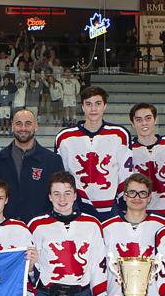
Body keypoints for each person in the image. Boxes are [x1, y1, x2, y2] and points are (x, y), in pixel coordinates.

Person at [26, 171, 107, 296]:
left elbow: (99, 265)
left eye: (67, 193)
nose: (62, 199)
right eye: (57, 193)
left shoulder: (91, 224)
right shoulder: (37, 225)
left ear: (75, 195)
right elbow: (28, 269)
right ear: (50, 196)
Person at [54, 86, 134, 221]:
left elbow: (126, 175)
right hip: (77, 206)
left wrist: (124, 205)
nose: (93, 109)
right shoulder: (65, 137)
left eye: (98, 104)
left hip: (111, 207)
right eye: (88, 104)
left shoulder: (119, 134)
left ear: (105, 106)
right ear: (83, 107)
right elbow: (62, 176)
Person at [0, 109, 65, 224]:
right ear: (12, 126)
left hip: (40, 230)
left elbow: (59, 198)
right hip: (4, 230)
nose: (23, 128)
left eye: (28, 124)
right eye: (18, 124)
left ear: (36, 126)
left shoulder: (52, 161)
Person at [129, 102, 165, 217]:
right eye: (139, 120)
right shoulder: (127, 150)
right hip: (139, 214)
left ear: (155, 120)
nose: (144, 123)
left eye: (148, 118)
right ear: (133, 124)